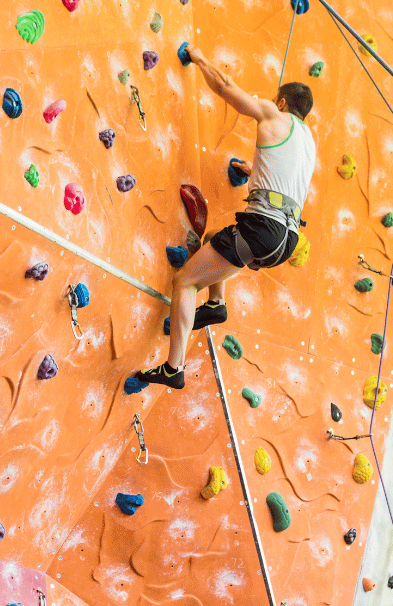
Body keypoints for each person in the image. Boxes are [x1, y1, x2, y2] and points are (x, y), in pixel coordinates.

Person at [134, 44, 317, 389]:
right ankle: (216, 304)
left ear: (281, 103)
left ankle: (173, 368)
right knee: (219, 235)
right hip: (286, 238)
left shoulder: (274, 116)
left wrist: (200, 59)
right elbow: (286, 178)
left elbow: (224, 87)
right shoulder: (308, 142)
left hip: (264, 228)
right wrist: (255, 170)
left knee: (184, 281)